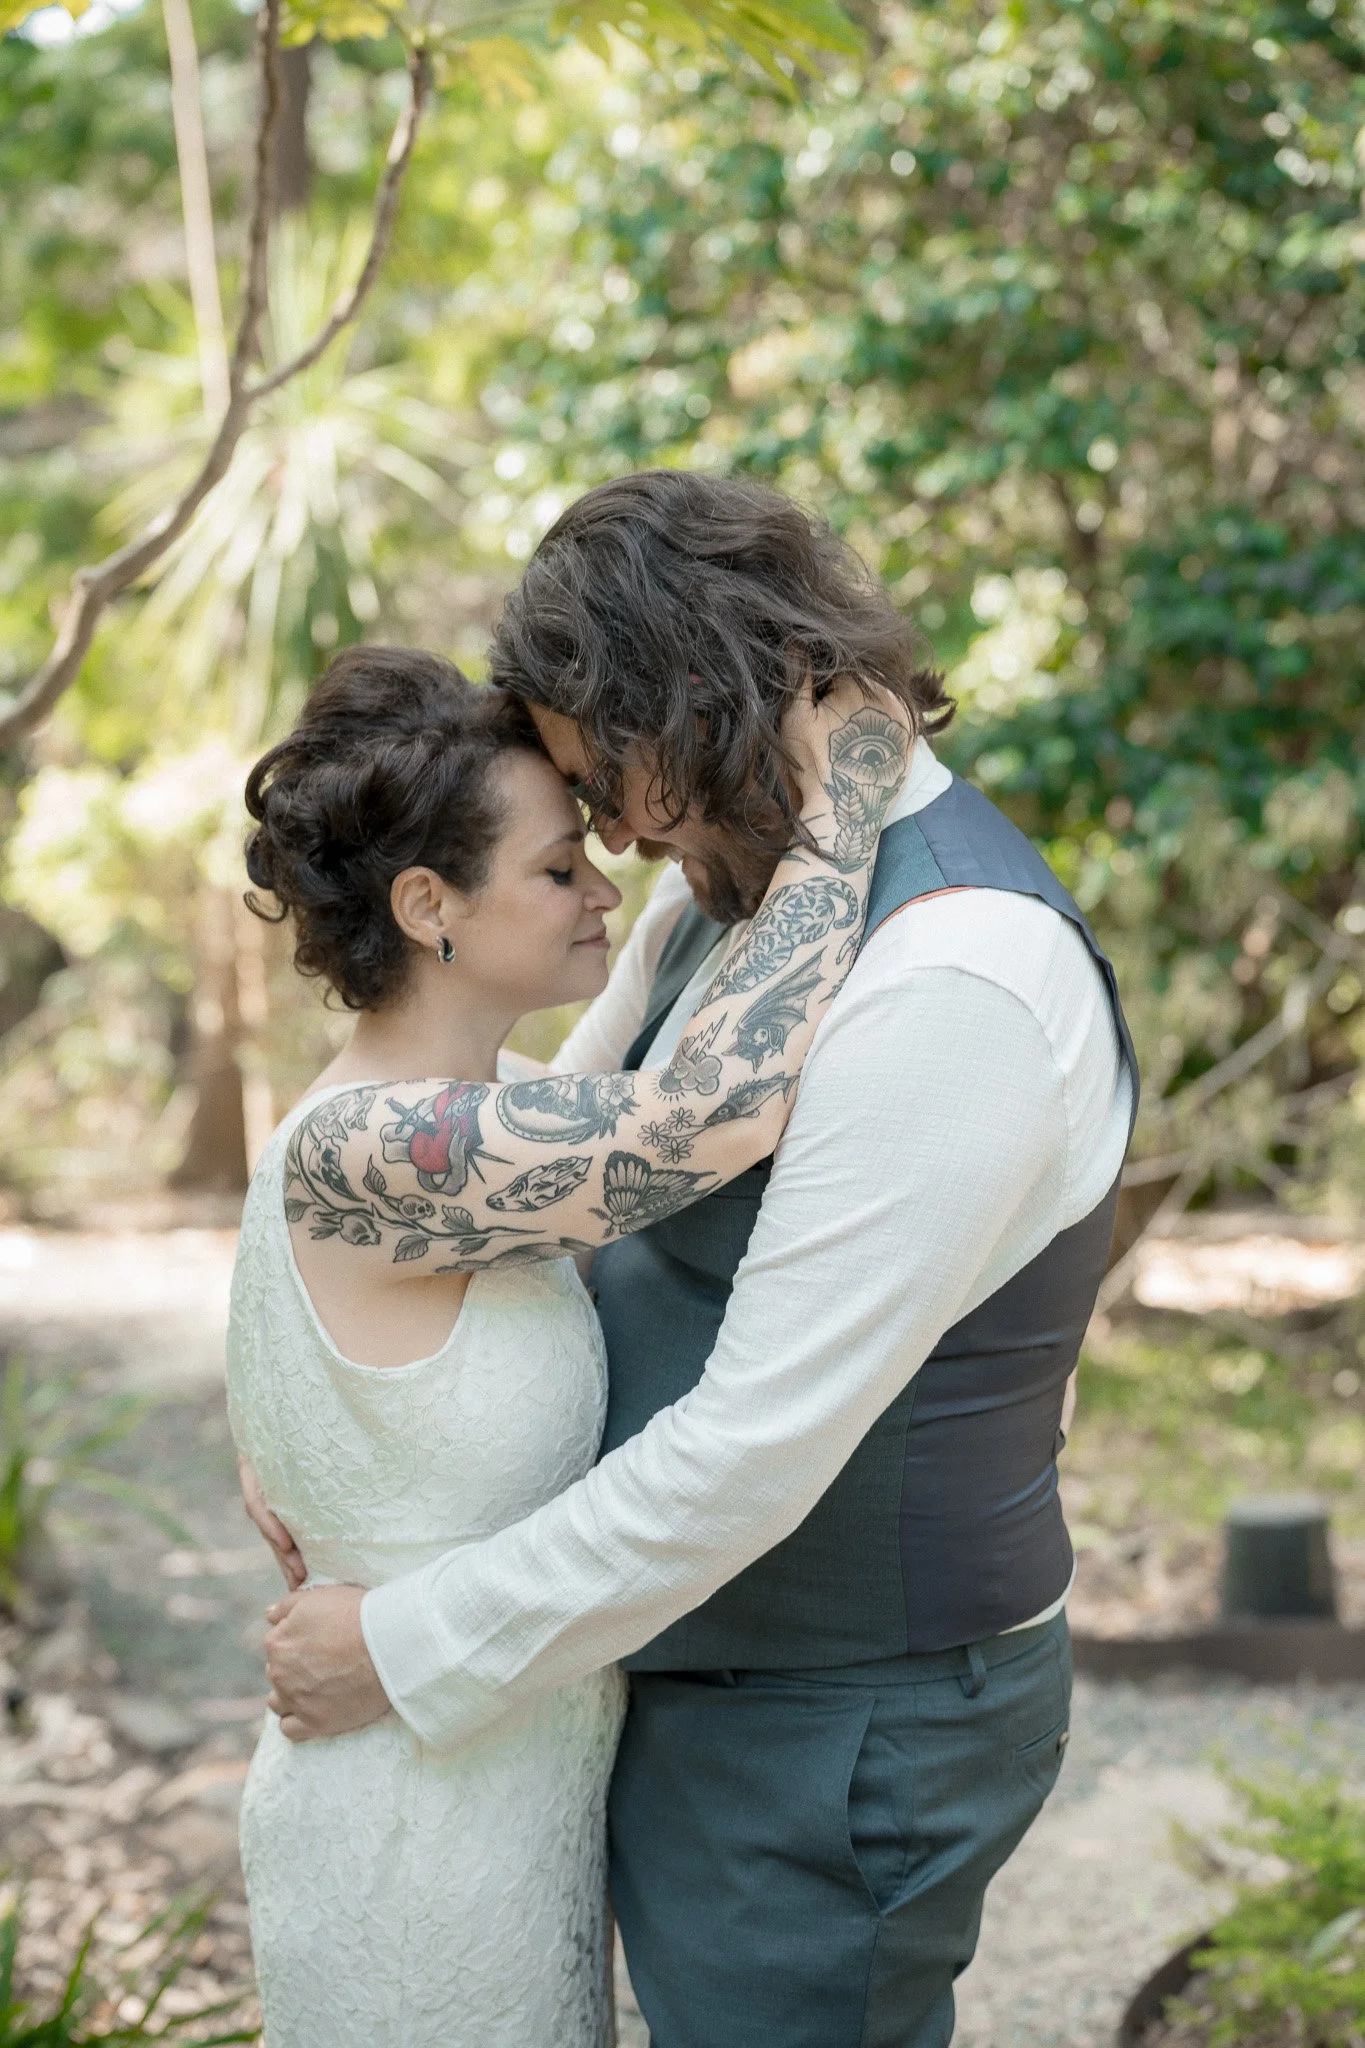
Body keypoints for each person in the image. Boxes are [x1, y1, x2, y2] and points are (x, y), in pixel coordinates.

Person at [248, 472, 1140, 2047]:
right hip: (647, 1689)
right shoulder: (724, 912)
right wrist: (336, 1448)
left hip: (833, 1723)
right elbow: (571, 1173)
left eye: (605, 784)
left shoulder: (959, 982)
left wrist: (405, 1641)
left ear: (689, 715)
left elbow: (753, 1448)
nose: (608, 837)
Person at [224, 638, 910, 2048]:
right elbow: (707, 1113)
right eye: (556, 869)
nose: (605, 882)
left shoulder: (496, 1114)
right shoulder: (377, 1154)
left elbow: (650, 1023)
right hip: (412, 1849)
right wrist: (847, 795)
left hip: (503, 1798)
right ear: (431, 907)